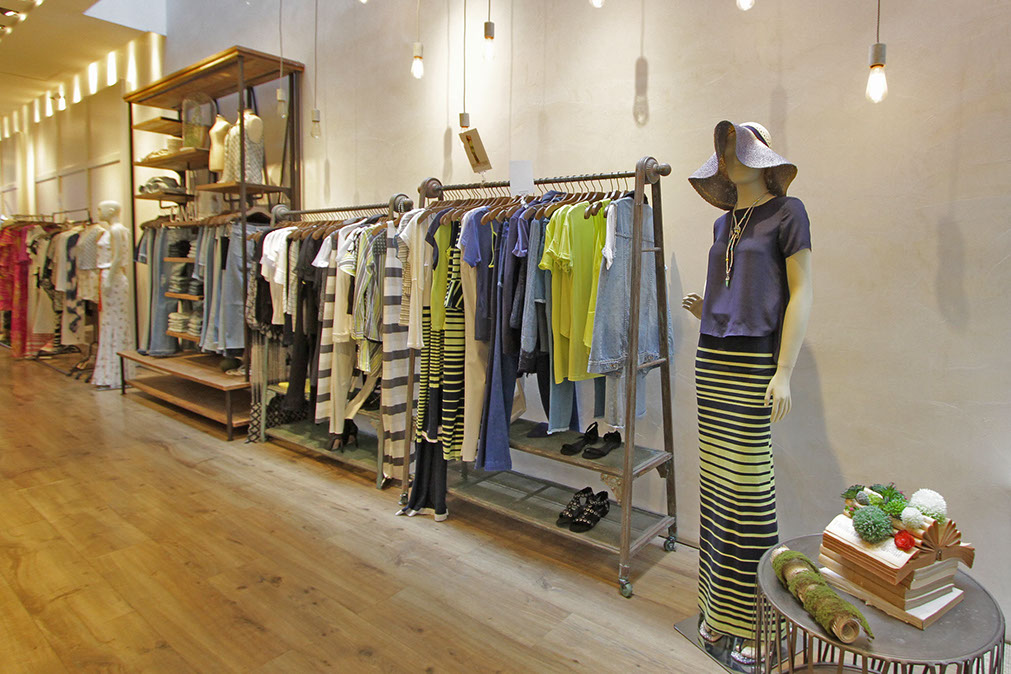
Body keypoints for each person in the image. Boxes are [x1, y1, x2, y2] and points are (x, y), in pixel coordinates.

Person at [683, 120, 813, 666]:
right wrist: (707, 309)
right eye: (723, 152)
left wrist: (784, 371)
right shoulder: (724, 223)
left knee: (751, 492)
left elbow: (801, 291)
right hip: (712, 358)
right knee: (717, 488)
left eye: (736, 150)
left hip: (756, 361)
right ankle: (717, 612)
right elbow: (732, 285)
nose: (727, 160)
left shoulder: (789, 213)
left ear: (760, 157)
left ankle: (761, 624)